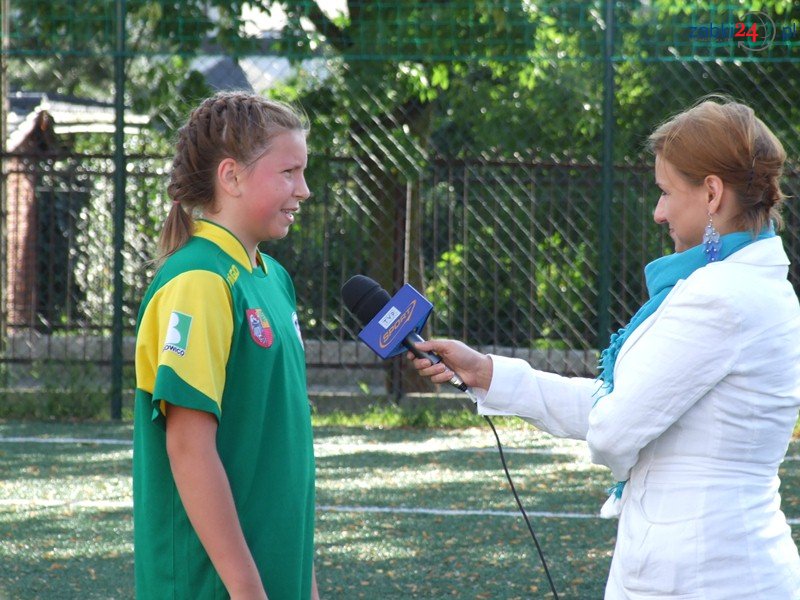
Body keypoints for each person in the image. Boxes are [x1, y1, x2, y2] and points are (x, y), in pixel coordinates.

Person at [409, 98, 800, 599]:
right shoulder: (749, 285)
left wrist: (609, 416)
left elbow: (614, 429)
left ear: (712, 193)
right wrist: (488, 373)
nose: (658, 212)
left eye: (665, 192)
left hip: (704, 576)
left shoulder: (718, 296)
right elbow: (619, 408)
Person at [133, 91, 319, 599]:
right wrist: (246, 588)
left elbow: (286, 457)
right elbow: (189, 447)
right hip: (214, 587)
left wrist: (305, 583)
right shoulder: (199, 280)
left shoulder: (271, 278)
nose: (303, 190)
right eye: (288, 172)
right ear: (232, 177)